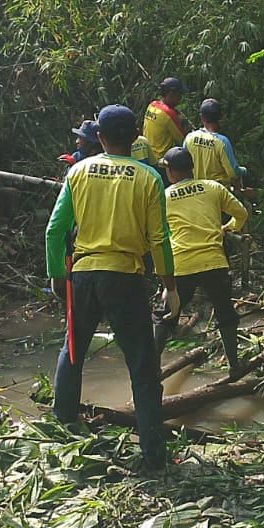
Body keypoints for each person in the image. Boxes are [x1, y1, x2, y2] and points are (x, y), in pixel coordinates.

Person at [45, 104, 177, 470]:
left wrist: (58, 275)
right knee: (142, 364)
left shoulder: (79, 172)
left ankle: (63, 427)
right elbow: (159, 240)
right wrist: (171, 286)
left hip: (84, 274)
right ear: (135, 137)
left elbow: (55, 231)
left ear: (99, 138)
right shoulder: (149, 177)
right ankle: (152, 452)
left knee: (73, 349)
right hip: (126, 276)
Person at [154, 146, 249, 379]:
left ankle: (150, 369)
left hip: (181, 264)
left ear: (171, 172)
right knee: (225, 314)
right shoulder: (213, 187)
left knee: (166, 316)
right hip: (213, 263)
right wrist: (227, 228)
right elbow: (242, 213)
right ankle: (234, 366)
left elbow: (156, 234)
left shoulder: (164, 197)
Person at [183, 98, 247, 191]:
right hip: (218, 191)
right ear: (220, 117)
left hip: (196, 190)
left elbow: (183, 165)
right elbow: (233, 173)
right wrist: (244, 170)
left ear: (202, 117)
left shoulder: (190, 138)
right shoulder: (222, 142)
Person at [141, 77, 190, 163]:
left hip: (147, 156)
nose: (180, 98)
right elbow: (183, 140)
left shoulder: (152, 105)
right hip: (161, 160)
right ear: (171, 94)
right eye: (179, 95)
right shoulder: (168, 113)